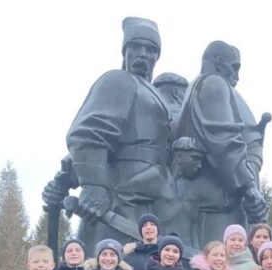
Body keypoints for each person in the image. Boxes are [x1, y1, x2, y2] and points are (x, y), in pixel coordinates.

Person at [44, 17, 179, 251]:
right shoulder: (118, 80)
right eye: (135, 47)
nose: (143, 54)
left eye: (150, 49)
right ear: (125, 51)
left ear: (157, 56)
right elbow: (89, 134)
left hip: (154, 193)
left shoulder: (154, 94)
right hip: (119, 197)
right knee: (108, 265)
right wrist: (94, 185)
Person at [172, 40, 269, 246]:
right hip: (217, 201)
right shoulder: (213, 83)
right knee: (218, 264)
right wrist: (248, 187)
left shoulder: (198, 86)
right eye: (234, 67)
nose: (237, 75)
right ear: (218, 61)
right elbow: (223, 142)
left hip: (206, 201)